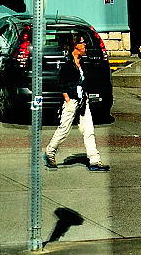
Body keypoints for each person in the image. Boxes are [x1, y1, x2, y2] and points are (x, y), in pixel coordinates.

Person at [44, 32, 109, 172]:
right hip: (71, 100)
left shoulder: (83, 62)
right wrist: (67, 98)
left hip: (82, 101)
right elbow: (61, 82)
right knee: (64, 130)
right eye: (82, 42)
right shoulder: (67, 63)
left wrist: (85, 94)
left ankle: (94, 160)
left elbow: (83, 81)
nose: (85, 45)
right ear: (75, 45)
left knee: (89, 130)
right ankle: (50, 152)